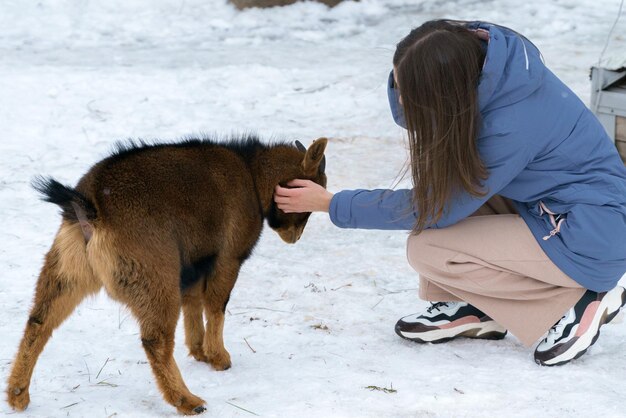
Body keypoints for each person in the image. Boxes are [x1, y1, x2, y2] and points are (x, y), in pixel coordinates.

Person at [274, 19, 626, 366]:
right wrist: (408, 79)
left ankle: (582, 301)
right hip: (549, 204)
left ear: (444, 92)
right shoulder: (485, 62)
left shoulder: (510, 126)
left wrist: (333, 203)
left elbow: (434, 206)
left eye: (408, 90)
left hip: (588, 233)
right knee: (448, 201)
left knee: (428, 246)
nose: (399, 95)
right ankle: (476, 307)